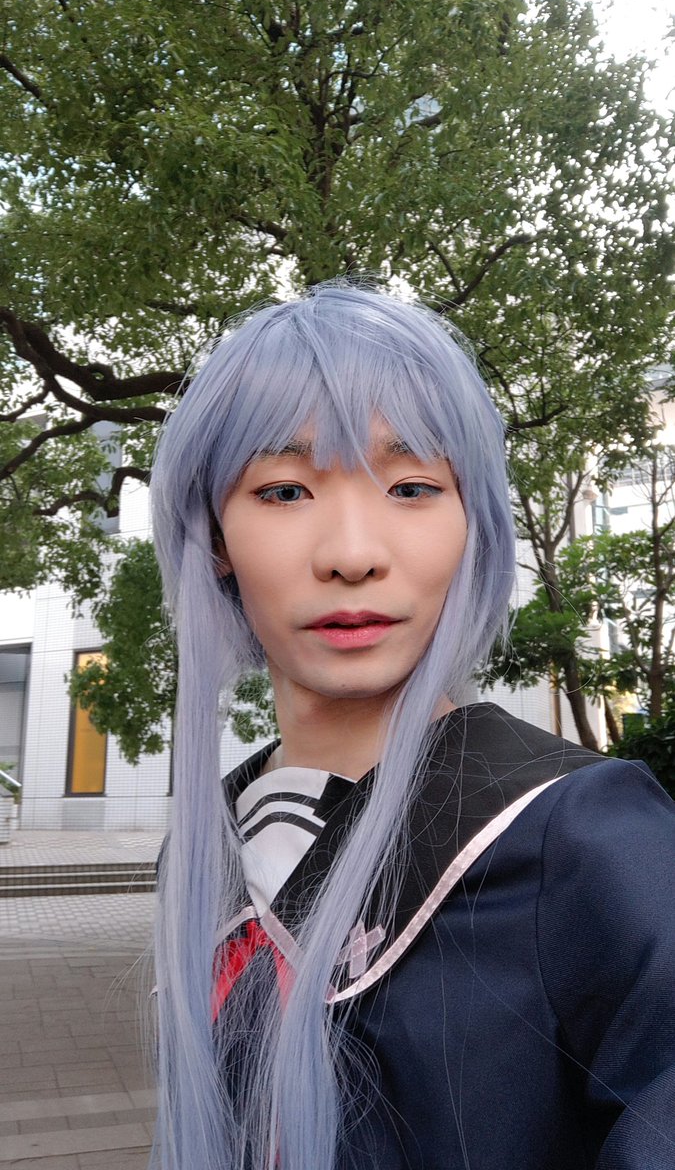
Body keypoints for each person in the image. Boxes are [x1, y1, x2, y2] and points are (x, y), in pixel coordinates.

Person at [150, 283, 675, 1170]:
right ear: (215, 539)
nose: (352, 553)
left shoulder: (589, 841)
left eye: (411, 486)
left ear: (472, 526)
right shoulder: (205, 848)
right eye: (284, 489)